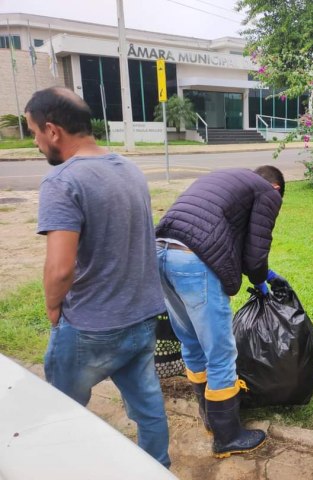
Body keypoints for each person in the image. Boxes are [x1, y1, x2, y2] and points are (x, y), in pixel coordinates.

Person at [27, 87, 171, 467]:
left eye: (34, 134)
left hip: (91, 325)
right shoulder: (130, 170)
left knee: (61, 411)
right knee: (148, 407)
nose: (36, 144)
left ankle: (69, 470)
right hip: (141, 317)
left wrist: (53, 308)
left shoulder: (62, 181)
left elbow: (60, 267)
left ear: (53, 130)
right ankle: (158, 468)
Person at [155, 166, 285, 458]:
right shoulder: (268, 193)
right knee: (221, 352)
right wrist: (261, 279)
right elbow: (254, 255)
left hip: (160, 252)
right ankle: (228, 436)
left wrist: (261, 273)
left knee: (191, 343)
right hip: (192, 263)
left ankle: (211, 419)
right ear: (276, 189)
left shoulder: (228, 179)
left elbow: (221, 235)